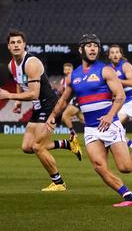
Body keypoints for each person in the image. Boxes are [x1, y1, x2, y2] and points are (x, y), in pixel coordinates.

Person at [46, 34, 132, 207]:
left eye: (95, 46)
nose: (92, 48)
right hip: (90, 128)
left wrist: (111, 115)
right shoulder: (73, 76)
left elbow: (120, 95)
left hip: (110, 125)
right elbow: (64, 100)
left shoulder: (106, 70)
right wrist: (52, 117)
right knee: (98, 165)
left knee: (125, 167)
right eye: (88, 45)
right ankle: (129, 197)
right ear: (81, 50)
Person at [0, 30, 82, 191]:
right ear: (8, 47)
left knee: (37, 146)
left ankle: (59, 183)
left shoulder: (31, 63)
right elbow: (21, 82)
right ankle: (68, 143)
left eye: (19, 42)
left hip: (50, 106)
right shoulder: (11, 65)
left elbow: (34, 94)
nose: (16, 45)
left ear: (24, 45)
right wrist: (17, 100)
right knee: (27, 147)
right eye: (13, 43)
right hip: (38, 108)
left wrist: (9, 95)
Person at [59, 62, 85, 142]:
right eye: (65, 69)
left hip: (77, 100)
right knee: (82, 119)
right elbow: (61, 93)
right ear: (63, 71)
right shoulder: (63, 81)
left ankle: (73, 133)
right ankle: (98, 130)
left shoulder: (76, 78)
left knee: (65, 116)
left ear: (72, 70)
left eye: (69, 69)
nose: (67, 71)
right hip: (71, 102)